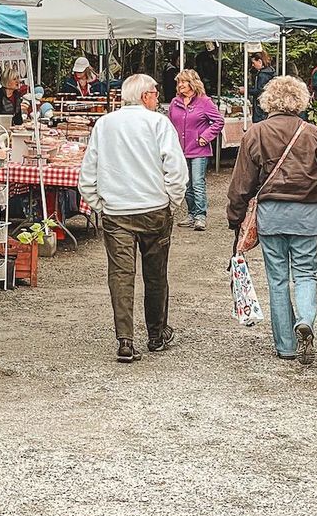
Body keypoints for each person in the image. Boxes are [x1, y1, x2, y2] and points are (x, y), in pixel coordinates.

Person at [227, 76, 317, 365]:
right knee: (305, 273)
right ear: (300, 100)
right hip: (307, 214)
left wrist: (235, 217)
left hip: (271, 215)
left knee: (277, 280)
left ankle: (286, 346)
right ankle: (305, 320)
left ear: (269, 101)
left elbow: (241, 183)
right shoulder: (313, 133)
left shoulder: (256, 133)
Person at [79, 74, 188, 364]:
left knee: (120, 275)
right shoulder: (158, 123)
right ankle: (156, 333)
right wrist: (172, 201)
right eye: (154, 92)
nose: (157, 97)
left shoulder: (104, 124)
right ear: (144, 96)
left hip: (117, 211)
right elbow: (176, 168)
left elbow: (88, 171)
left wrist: (97, 203)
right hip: (153, 208)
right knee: (156, 274)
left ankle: (125, 339)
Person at [168, 69, 225, 232]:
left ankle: (201, 216)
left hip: (199, 149)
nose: (180, 86)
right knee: (185, 183)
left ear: (192, 83)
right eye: (178, 82)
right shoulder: (175, 102)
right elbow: (169, 124)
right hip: (180, 149)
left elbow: (218, 121)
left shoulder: (204, 101)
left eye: (183, 82)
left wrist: (205, 136)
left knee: (198, 182)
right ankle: (192, 213)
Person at [249, 48, 276, 123]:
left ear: (260, 61)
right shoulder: (271, 72)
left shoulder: (262, 75)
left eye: (254, 63)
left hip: (260, 109)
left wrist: (246, 90)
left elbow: (259, 91)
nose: (252, 65)